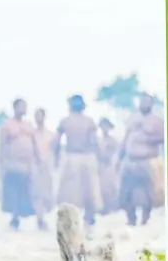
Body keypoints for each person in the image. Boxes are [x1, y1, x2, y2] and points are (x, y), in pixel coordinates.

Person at [117, 94, 165, 225]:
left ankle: (145, 218)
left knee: (149, 192)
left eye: (147, 102)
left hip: (148, 161)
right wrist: (119, 157)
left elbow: (162, 138)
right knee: (125, 193)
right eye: (142, 101)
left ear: (151, 104)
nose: (144, 104)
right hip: (130, 161)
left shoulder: (157, 120)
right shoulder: (133, 119)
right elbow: (125, 138)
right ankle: (131, 218)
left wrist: (146, 134)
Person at [54, 95, 102, 226]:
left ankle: (89, 217)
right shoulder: (66, 121)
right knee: (71, 192)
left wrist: (99, 156)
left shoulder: (88, 122)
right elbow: (56, 142)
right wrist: (56, 157)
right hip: (73, 157)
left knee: (88, 190)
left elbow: (94, 140)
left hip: (84, 157)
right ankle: (74, 217)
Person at [0, 98, 40, 230]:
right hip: (13, 163)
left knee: (26, 191)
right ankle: (14, 218)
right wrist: (2, 163)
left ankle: (27, 217)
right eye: (21, 106)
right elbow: (3, 145)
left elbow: (34, 144)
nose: (24, 109)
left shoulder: (28, 125)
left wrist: (38, 159)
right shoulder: (7, 125)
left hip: (27, 164)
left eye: (25, 106)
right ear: (15, 108)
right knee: (14, 190)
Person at [31, 108, 55, 230]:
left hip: (47, 166)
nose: (38, 118)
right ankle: (40, 218)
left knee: (47, 193)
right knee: (37, 193)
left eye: (40, 115)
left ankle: (43, 217)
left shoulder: (50, 134)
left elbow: (54, 151)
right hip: (35, 166)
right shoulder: (31, 134)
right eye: (36, 116)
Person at [97, 118, 119, 215]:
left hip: (109, 165)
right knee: (99, 186)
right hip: (99, 165)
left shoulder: (112, 141)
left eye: (106, 127)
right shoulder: (97, 140)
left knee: (109, 186)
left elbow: (111, 153)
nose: (104, 129)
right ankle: (101, 206)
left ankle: (110, 206)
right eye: (102, 126)